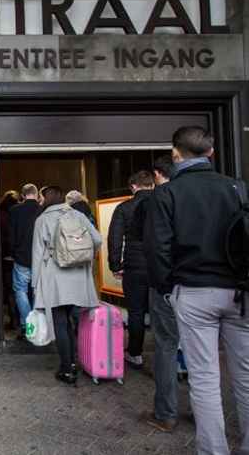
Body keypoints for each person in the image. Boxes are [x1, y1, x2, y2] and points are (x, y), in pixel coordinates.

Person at [145, 126, 248, 454]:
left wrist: (167, 287)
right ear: (211, 154)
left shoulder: (166, 193)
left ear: (175, 155)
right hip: (239, 292)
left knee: (204, 377)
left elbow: (157, 249)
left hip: (192, 291)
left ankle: (214, 450)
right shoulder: (237, 188)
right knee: (246, 375)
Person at [32, 186, 102, 385]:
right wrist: (84, 258)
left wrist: (35, 283)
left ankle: (67, 368)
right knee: (75, 321)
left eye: (41, 197)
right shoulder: (78, 215)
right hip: (78, 276)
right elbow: (97, 239)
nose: (39, 200)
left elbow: (37, 254)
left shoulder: (42, 219)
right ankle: (77, 361)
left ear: (47, 198)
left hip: (54, 276)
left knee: (60, 323)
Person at [135, 163, 181, 433]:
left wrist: (163, 284)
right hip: (223, 286)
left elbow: (151, 243)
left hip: (170, 283)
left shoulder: (157, 200)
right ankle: (208, 413)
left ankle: (166, 413)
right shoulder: (231, 188)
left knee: (166, 344)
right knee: (207, 355)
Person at [107, 171, 155, 370]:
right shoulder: (164, 203)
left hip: (134, 267)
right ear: (152, 185)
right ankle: (168, 354)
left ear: (133, 187)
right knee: (162, 312)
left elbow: (115, 238)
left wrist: (115, 265)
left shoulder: (124, 208)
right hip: (159, 266)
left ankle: (135, 353)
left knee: (135, 312)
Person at [9, 184, 41, 336]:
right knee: (37, 293)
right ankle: (34, 327)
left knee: (20, 291)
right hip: (40, 259)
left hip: (21, 258)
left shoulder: (15, 210)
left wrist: (13, 253)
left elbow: (11, 236)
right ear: (36, 194)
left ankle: (28, 326)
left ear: (22, 195)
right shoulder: (42, 210)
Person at [0, 190, 20, 331]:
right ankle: (21, 321)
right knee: (20, 290)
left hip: (4, 257)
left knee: (10, 290)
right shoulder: (17, 213)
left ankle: (14, 320)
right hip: (18, 257)